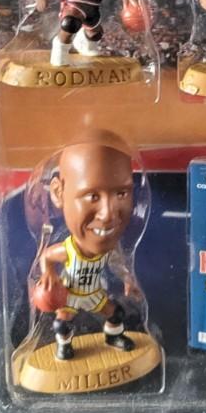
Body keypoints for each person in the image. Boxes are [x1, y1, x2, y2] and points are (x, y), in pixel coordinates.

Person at [35, 140, 141, 360]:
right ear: (58, 192)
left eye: (121, 194)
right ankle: (64, 346)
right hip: (70, 294)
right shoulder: (70, 250)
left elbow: (118, 264)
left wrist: (128, 280)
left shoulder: (108, 249)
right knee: (61, 323)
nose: (107, 214)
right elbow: (46, 256)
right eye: (93, 196)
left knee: (116, 314)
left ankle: (113, 337)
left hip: (93, 293)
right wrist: (48, 274)